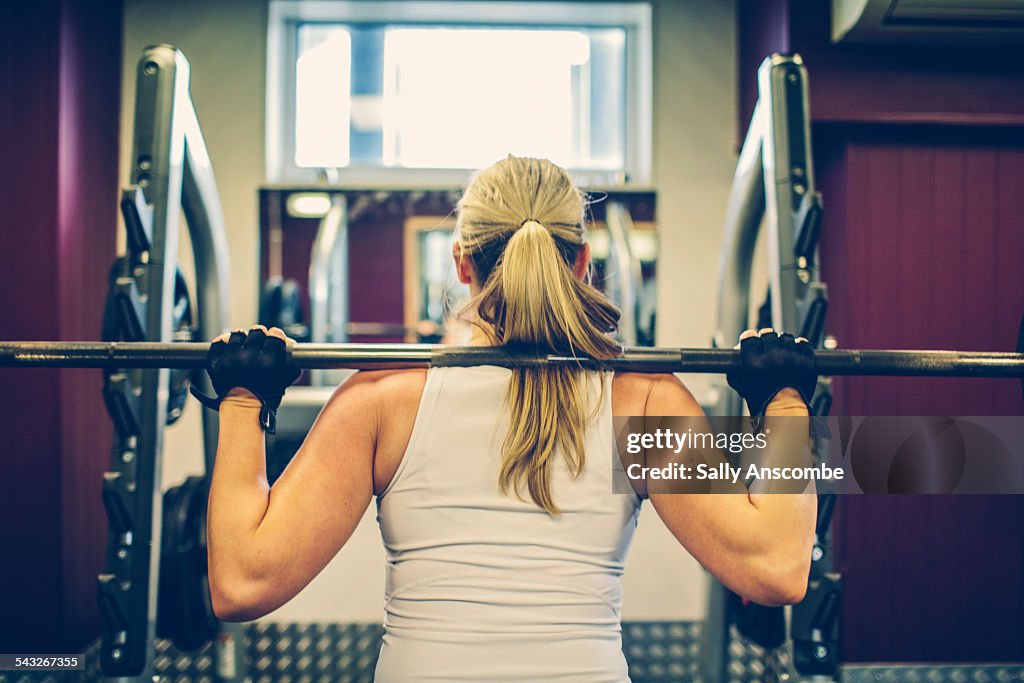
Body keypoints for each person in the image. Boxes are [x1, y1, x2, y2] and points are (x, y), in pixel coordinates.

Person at [194, 156, 817, 682]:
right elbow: (776, 569)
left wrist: (246, 399)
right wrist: (783, 401)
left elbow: (242, 584)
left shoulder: (382, 399)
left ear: (462, 263)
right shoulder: (643, 398)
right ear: (580, 262)